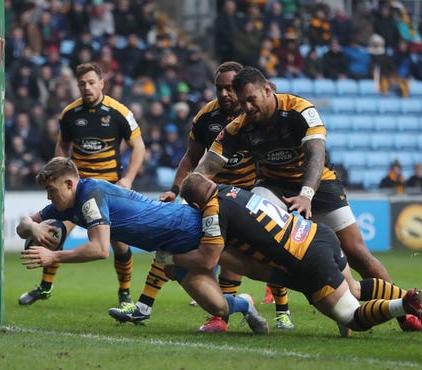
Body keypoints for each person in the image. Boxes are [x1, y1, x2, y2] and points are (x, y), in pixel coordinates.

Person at [192, 66, 422, 332]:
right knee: (248, 231)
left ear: (268, 89)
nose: (247, 107)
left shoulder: (299, 110)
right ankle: (244, 308)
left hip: (318, 183)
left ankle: (405, 315)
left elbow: (316, 154)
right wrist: (191, 189)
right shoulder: (238, 128)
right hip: (273, 185)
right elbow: (205, 167)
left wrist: (306, 194)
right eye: (242, 102)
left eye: (251, 99)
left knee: (357, 252)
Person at [109, 62, 293, 332]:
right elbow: (191, 157)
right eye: (219, 88)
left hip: (249, 195)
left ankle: (282, 311)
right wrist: (175, 189)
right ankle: (145, 308)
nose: (225, 94)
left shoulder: (255, 114)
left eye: (230, 88)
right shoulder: (206, 117)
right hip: (210, 196)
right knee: (171, 241)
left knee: (266, 251)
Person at [18, 157, 270, 335]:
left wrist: (53, 257)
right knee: (217, 306)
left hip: (191, 228)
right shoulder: (62, 206)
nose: (49, 197)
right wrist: (33, 227)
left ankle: (298, 285)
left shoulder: (90, 194)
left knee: (260, 266)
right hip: (172, 248)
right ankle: (245, 303)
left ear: (70, 184)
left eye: (51, 190)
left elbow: (99, 249)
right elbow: (23, 224)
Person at [174, 172, 422, 336]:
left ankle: (404, 304)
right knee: (356, 289)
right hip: (318, 234)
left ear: (196, 203)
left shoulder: (212, 209)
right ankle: (419, 301)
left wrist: (177, 257)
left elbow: (209, 258)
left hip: (309, 260)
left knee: (353, 318)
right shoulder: (233, 192)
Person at [18, 62, 146, 309]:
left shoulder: (120, 112)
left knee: (119, 244)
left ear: (102, 83)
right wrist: (57, 174)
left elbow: (138, 146)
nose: (86, 88)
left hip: (108, 191)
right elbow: (62, 147)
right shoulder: (69, 114)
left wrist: (128, 178)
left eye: (91, 82)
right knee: (52, 234)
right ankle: (45, 287)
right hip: (75, 191)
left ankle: (125, 293)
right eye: (82, 84)